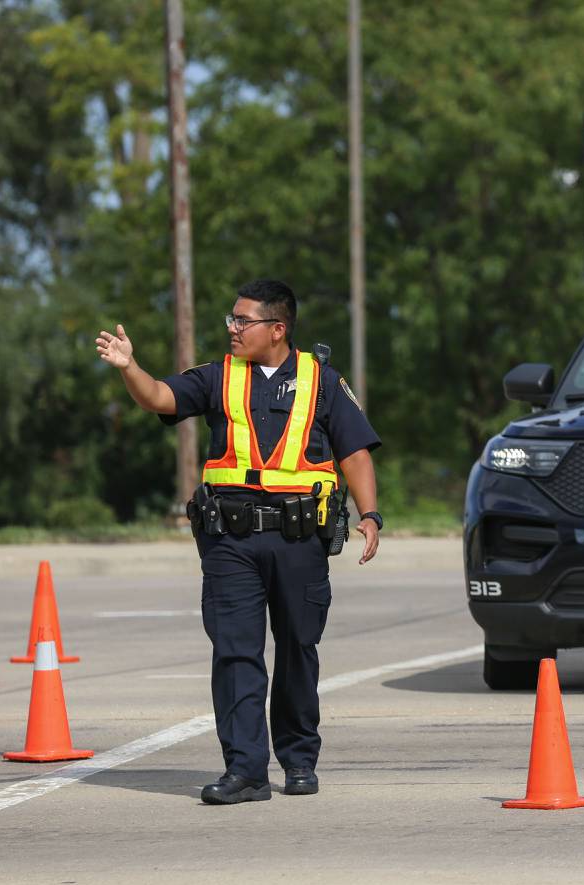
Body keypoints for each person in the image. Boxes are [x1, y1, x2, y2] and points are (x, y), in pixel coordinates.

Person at [95, 279, 382, 805]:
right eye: (231, 319)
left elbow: (355, 452)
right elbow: (158, 397)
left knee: (298, 648)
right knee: (235, 653)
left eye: (242, 321)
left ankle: (298, 759)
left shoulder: (321, 380)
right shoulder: (215, 377)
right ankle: (246, 770)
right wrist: (129, 368)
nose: (232, 328)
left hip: (300, 540)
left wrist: (371, 515)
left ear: (277, 329)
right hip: (230, 540)